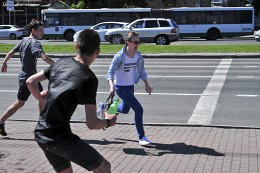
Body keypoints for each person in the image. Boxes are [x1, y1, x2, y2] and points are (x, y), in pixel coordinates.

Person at [26, 29, 117, 173]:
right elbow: (92, 124)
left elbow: (30, 81)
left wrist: (41, 99)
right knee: (104, 167)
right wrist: (109, 121)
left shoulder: (61, 62)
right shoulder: (89, 78)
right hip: (60, 137)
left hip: (41, 133)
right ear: (97, 51)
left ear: (76, 46)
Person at [0, 19, 55, 136]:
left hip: (23, 78)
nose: (42, 33)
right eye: (40, 30)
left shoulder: (23, 41)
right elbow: (44, 57)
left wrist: (4, 62)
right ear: (33, 30)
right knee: (43, 99)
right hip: (32, 80)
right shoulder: (35, 43)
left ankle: (1, 122)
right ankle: (42, 126)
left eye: (43, 30)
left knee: (20, 103)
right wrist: (57, 66)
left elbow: (10, 53)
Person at [106, 31, 153, 145]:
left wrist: (146, 83)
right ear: (128, 42)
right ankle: (141, 137)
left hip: (130, 86)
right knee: (139, 109)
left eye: (139, 42)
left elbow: (141, 70)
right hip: (120, 88)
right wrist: (112, 87)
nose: (137, 44)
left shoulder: (138, 55)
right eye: (135, 42)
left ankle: (108, 107)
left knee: (126, 110)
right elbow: (110, 73)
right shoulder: (119, 57)